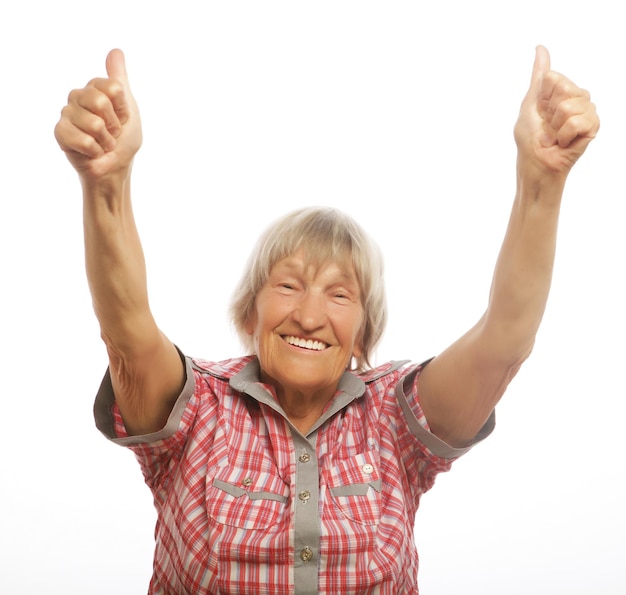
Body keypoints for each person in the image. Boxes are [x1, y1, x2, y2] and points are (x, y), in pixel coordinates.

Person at [54, 45, 598, 594]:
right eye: (288, 285)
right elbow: (125, 326)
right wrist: (106, 182)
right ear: (250, 312)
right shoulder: (197, 410)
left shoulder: (394, 419)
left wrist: (542, 180)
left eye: (340, 295)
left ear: (364, 333)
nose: (310, 315)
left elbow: (503, 341)